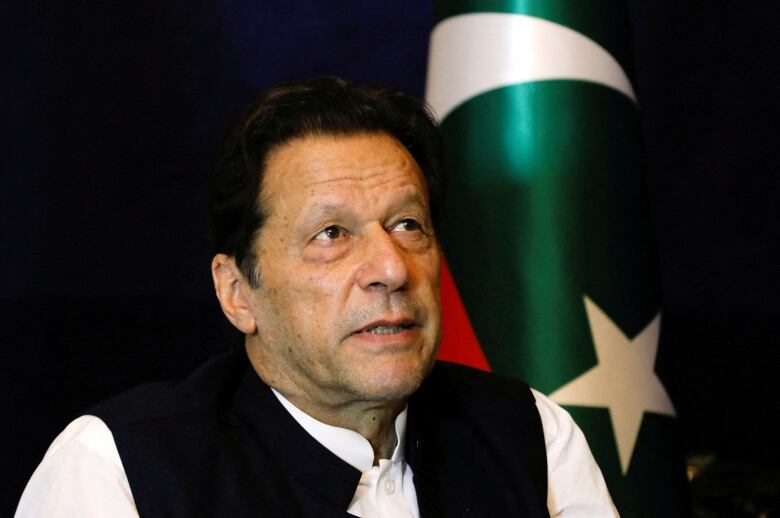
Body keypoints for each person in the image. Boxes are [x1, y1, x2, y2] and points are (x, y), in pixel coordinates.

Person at [16, 77, 618, 517]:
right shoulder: (120, 469)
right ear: (237, 293)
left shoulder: (529, 433)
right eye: (331, 234)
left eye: (408, 225)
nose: (390, 267)